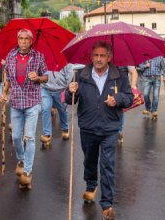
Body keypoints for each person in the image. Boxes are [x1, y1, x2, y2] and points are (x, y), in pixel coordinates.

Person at [66, 41, 133, 220]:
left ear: (109, 57)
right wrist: (70, 91)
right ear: (91, 56)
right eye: (95, 55)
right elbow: (68, 99)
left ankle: (107, 204)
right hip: (88, 126)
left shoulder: (119, 75)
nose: (98, 59)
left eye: (102, 56)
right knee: (89, 160)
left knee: (107, 165)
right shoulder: (81, 75)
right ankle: (91, 184)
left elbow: (129, 98)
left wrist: (117, 99)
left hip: (110, 127)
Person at [0, 29, 48, 189]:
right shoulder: (10, 56)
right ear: (17, 40)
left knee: (29, 137)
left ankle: (27, 171)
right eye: (21, 38)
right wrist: (4, 94)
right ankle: (21, 159)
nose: (24, 41)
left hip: (32, 102)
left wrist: (38, 78)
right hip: (16, 103)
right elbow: (8, 80)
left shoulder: (39, 56)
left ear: (31, 41)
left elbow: (46, 76)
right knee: (16, 137)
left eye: (27, 39)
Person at [40, 63, 84, 146]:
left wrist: (68, 89)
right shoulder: (44, 59)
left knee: (62, 110)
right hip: (45, 89)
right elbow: (39, 72)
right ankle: (47, 134)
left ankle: (65, 129)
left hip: (60, 90)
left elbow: (69, 76)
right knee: (45, 109)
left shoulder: (65, 62)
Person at [117, 66, 137, 144]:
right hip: (108, 86)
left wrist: (133, 86)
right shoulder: (105, 56)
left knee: (119, 109)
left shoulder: (126, 58)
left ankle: (119, 131)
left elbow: (134, 72)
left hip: (122, 88)